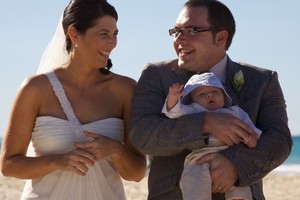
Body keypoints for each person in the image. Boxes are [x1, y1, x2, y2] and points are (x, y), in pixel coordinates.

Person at [129, 0, 292, 199]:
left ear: (221, 38)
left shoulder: (262, 80)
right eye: (176, 31)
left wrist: (235, 164)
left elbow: (279, 140)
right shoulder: (156, 75)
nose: (179, 39)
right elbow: (142, 135)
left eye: (192, 30)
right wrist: (204, 124)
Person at [0, 0, 146, 199]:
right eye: (104, 34)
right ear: (74, 34)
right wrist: (57, 161)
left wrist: (116, 150)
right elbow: (9, 165)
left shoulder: (125, 90)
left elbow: (137, 174)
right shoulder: (35, 89)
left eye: (115, 34)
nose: (112, 43)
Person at [162, 72, 261, 200]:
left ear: (224, 97)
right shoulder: (193, 110)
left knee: (240, 187)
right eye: (201, 94)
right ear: (192, 100)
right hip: (200, 156)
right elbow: (173, 112)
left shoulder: (234, 111)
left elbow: (248, 127)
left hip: (231, 154)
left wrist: (251, 137)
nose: (209, 95)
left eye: (215, 91)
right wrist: (173, 98)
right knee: (194, 181)